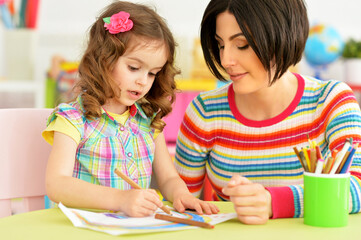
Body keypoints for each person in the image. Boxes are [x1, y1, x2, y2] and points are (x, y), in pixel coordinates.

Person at [174, 0, 361, 225]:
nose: (225, 60)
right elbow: (182, 205)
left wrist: (273, 202)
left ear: (280, 38)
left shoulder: (331, 101)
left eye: (241, 44)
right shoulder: (204, 111)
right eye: (221, 45)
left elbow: (357, 185)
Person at [42, 1, 219, 217]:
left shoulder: (147, 121)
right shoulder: (73, 119)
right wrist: (120, 199)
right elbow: (57, 185)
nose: (143, 81)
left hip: (132, 228)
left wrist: (183, 194)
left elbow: (168, 178)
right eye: (134, 68)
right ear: (104, 59)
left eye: (153, 72)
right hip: (83, 229)